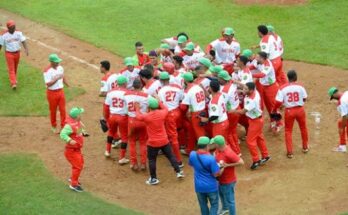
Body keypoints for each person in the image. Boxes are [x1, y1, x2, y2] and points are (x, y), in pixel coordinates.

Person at [135, 96, 184, 185]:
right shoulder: (162, 113)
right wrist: (159, 101)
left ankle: (153, 179)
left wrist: (137, 108)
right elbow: (166, 108)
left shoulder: (147, 116)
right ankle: (178, 172)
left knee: (152, 160)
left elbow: (138, 117)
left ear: (149, 107)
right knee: (171, 156)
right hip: (164, 140)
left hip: (153, 143)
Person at [230, 82, 270, 170]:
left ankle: (256, 160)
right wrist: (241, 91)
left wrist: (232, 111)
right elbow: (245, 92)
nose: (244, 90)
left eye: (246, 89)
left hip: (255, 122)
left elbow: (242, 112)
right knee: (259, 137)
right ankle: (265, 155)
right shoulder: (255, 92)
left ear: (251, 90)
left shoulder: (252, 100)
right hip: (257, 120)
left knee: (250, 141)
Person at [273, 70, 309, 158]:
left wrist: (276, 108)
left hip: (289, 111)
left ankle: (290, 152)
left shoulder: (282, 88)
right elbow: (304, 98)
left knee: (288, 131)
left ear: (288, 78)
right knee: (303, 128)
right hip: (300, 110)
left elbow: (278, 102)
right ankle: (305, 147)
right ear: (296, 77)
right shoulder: (300, 86)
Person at [189, 136, 222, 215]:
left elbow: (191, 164)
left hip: (199, 186)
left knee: (203, 205)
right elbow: (216, 174)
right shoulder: (210, 158)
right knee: (214, 205)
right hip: (211, 187)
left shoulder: (192, 154)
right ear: (207, 146)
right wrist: (221, 167)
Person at [212, 135, 244, 215]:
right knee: (221, 195)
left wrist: (227, 165)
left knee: (230, 200)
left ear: (218, 145)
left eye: (214, 143)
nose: (213, 144)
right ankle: (225, 208)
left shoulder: (228, 153)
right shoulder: (217, 150)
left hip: (228, 181)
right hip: (220, 179)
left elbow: (241, 162)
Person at [158, 72, 184, 167]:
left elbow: (160, 104)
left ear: (161, 80)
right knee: (178, 130)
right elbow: (182, 99)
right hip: (178, 111)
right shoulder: (177, 88)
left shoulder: (161, 91)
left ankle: (178, 160)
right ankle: (180, 146)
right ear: (168, 79)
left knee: (172, 136)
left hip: (169, 115)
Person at [251, 51, 282, 132]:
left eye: (257, 57)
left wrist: (251, 75)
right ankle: (273, 121)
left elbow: (262, 75)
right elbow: (252, 66)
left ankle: (279, 123)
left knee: (273, 105)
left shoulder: (267, 65)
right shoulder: (258, 61)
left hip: (271, 87)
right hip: (263, 86)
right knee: (268, 106)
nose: (256, 58)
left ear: (263, 58)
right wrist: (245, 69)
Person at [60, 107, 88, 192]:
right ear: (77, 116)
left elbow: (78, 130)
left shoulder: (76, 121)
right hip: (71, 151)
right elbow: (62, 134)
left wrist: (83, 133)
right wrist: (69, 140)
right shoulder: (69, 126)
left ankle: (73, 178)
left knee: (80, 164)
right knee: (78, 166)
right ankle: (73, 184)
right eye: (80, 114)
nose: (81, 115)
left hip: (76, 150)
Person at [104, 75, 129, 164]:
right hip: (123, 117)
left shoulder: (110, 92)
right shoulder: (127, 92)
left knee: (111, 132)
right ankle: (122, 158)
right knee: (124, 137)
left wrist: (106, 118)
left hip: (112, 116)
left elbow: (106, 107)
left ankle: (107, 151)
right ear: (125, 83)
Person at [124, 79, 148, 170]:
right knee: (143, 142)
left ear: (133, 86)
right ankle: (143, 164)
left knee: (132, 142)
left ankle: (134, 163)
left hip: (132, 121)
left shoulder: (126, 95)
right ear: (141, 86)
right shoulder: (146, 96)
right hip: (142, 121)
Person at [180, 72, 207, 154]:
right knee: (191, 132)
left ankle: (205, 153)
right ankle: (189, 150)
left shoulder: (188, 90)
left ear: (185, 80)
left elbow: (183, 107)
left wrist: (181, 103)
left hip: (196, 115)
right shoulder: (198, 86)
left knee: (200, 135)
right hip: (202, 110)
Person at [217, 70, 241, 155]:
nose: (218, 79)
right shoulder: (231, 84)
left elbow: (221, 102)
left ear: (223, 79)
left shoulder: (225, 91)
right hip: (237, 109)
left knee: (229, 133)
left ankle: (236, 151)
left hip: (231, 112)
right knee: (233, 130)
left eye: (219, 78)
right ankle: (237, 146)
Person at [0, 20, 29, 89]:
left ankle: (14, 79)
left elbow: (23, 41)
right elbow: (0, 45)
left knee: (15, 67)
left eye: (14, 26)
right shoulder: (3, 35)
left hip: (17, 53)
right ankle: (13, 83)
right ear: (8, 28)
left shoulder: (18, 32)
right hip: (9, 54)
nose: (13, 28)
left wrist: (26, 49)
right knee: (11, 69)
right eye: (12, 27)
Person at [43, 54, 68, 134]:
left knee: (63, 110)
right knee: (53, 110)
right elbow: (48, 84)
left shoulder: (60, 68)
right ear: (51, 62)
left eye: (58, 61)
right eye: (56, 62)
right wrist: (56, 79)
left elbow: (62, 75)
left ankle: (63, 126)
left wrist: (66, 83)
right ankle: (53, 126)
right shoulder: (47, 71)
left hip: (61, 91)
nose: (58, 63)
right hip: (51, 93)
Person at [328, 87, 348, 153]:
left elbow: (345, 116)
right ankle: (342, 146)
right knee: (340, 123)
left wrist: (342, 127)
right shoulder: (346, 92)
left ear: (334, 94)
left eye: (333, 97)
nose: (334, 99)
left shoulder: (341, 101)